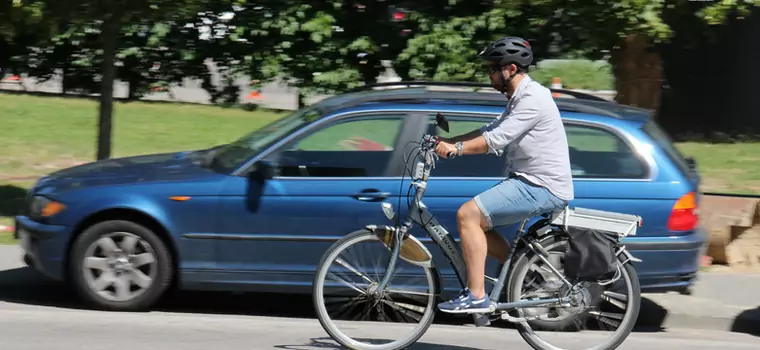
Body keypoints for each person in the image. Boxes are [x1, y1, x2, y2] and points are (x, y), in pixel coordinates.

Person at [434, 36, 575, 314]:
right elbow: (489, 129)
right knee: (477, 223)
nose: (489, 74)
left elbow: (496, 139)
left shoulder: (533, 99)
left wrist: (456, 150)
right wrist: (445, 141)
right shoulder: (520, 97)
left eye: (492, 68)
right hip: (529, 180)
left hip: (542, 186)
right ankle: (521, 269)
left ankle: (476, 295)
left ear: (510, 69)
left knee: (467, 215)